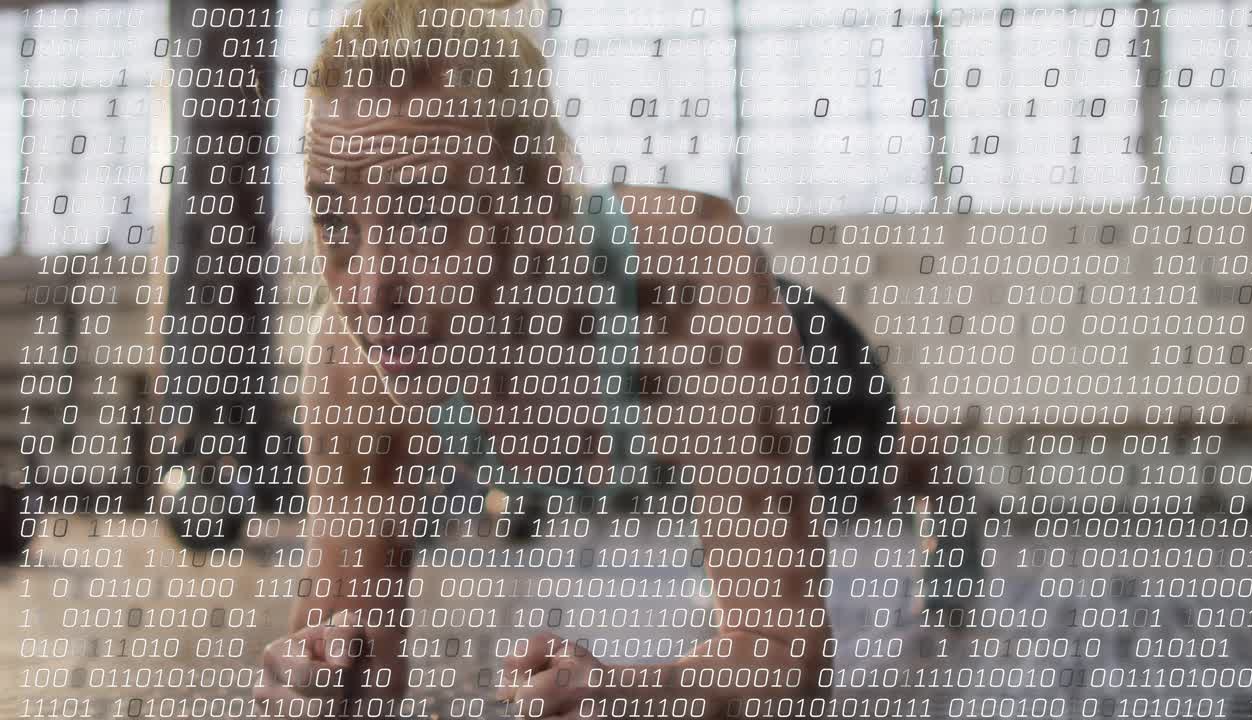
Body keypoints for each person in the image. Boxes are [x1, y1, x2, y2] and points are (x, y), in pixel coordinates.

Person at [253, 1, 843, 718]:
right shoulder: (354, 361)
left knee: (887, 467)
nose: (369, 293)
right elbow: (353, 641)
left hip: (809, 351)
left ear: (543, 200)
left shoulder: (695, 273)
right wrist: (327, 673)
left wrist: (631, 695)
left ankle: (944, 497)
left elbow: (790, 655)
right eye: (336, 220)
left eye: (426, 214)